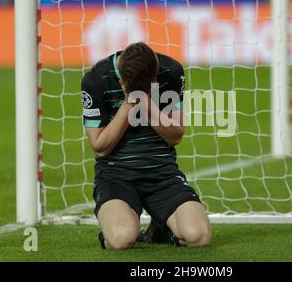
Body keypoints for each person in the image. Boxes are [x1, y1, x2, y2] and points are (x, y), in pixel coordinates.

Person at [81, 42, 211, 249]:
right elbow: (100, 147)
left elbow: (175, 136)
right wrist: (129, 102)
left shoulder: (171, 72)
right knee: (122, 239)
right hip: (116, 176)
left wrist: (145, 100)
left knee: (198, 237)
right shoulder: (96, 79)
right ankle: (115, 226)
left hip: (162, 175)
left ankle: (159, 230)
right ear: (121, 81)